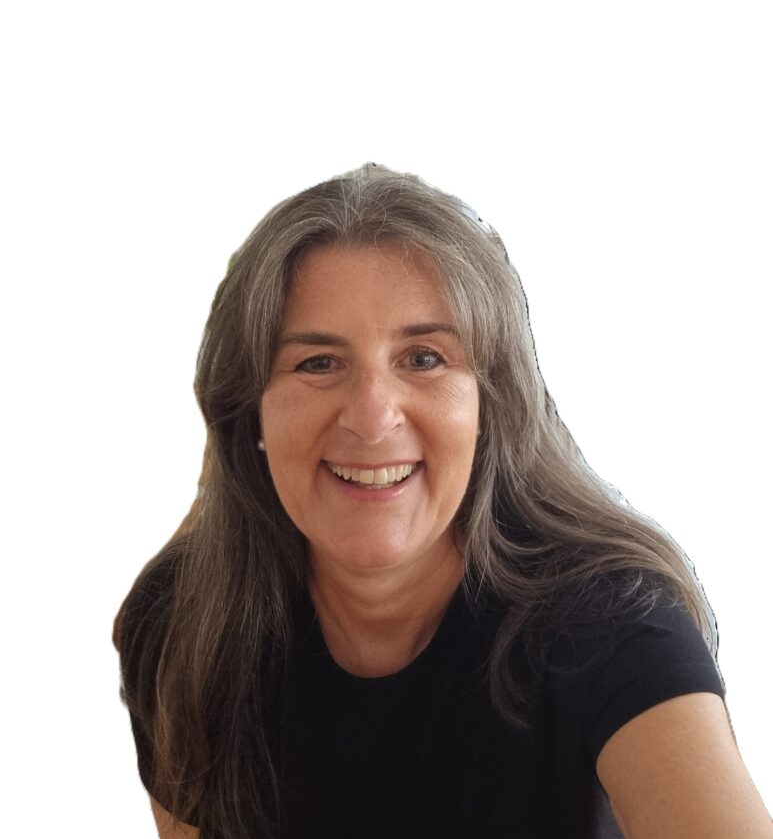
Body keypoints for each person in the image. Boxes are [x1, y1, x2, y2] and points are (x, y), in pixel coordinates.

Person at [113, 163, 771, 839]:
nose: (372, 419)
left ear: (490, 404)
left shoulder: (612, 617)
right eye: (318, 363)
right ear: (249, 410)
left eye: (424, 358)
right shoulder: (182, 622)